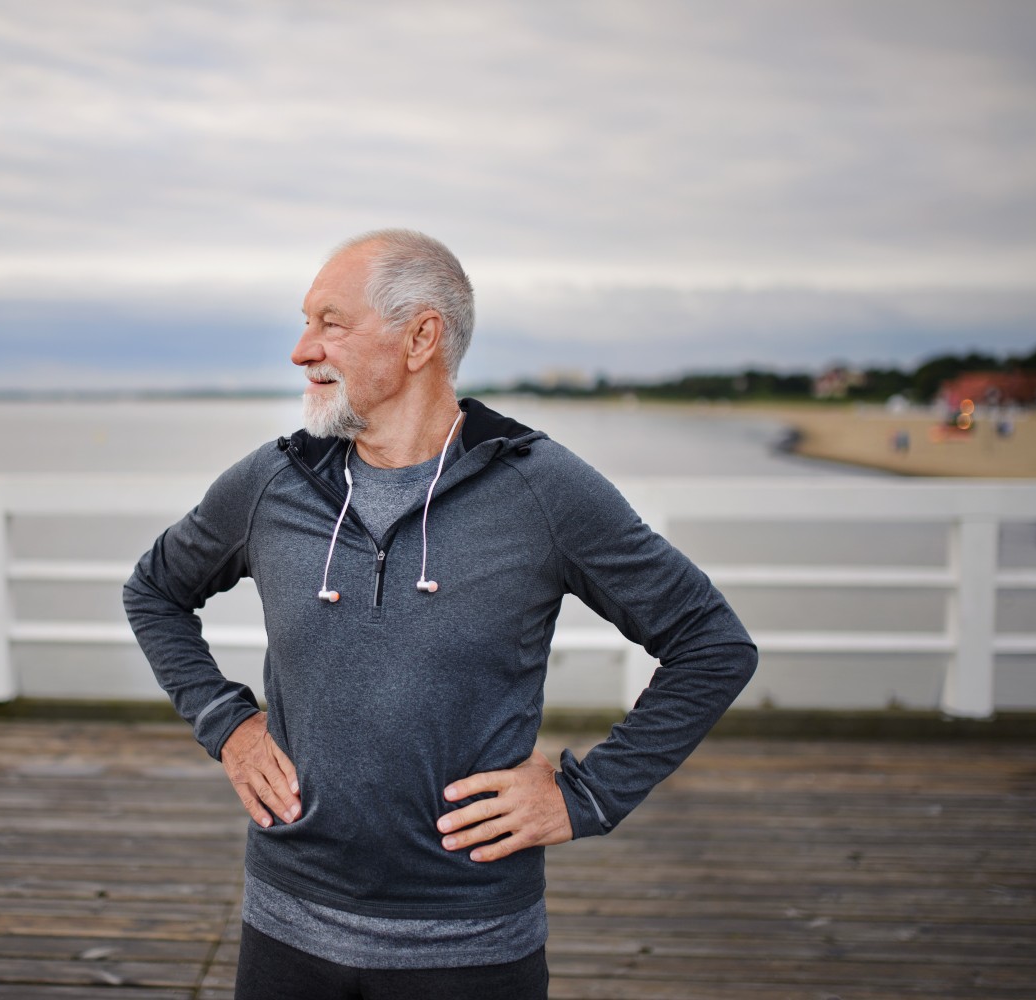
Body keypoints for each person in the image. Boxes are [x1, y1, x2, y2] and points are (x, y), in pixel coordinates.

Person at [123, 229, 757, 998]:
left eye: (330, 323)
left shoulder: (540, 488)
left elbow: (711, 644)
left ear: (421, 337)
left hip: (472, 945)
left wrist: (589, 795)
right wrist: (228, 726)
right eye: (305, 322)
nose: (300, 350)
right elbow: (154, 591)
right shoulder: (273, 482)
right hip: (286, 928)